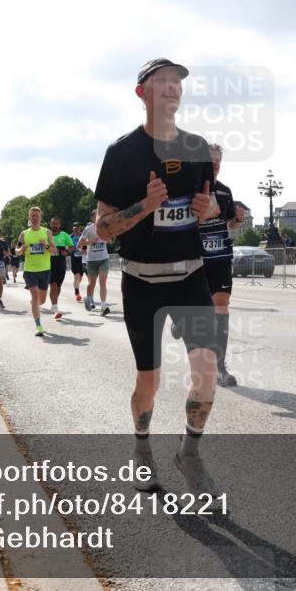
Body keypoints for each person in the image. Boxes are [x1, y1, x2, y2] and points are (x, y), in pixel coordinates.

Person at [95, 58, 219, 496]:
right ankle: (142, 449)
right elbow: (104, 229)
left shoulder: (198, 147)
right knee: (149, 380)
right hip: (141, 280)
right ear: (141, 93)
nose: (171, 88)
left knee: (207, 372)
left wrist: (211, 210)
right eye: (161, 81)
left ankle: (190, 454)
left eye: (177, 82)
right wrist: (144, 208)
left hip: (191, 276)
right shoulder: (122, 154)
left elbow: (211, 204)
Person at [171, 143, 245, 387]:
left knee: (220, 306)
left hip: (221, 256)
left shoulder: (225, 192)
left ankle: (220, 367)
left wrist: (237, 220)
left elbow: (230, 225)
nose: (215, 165)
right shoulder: (188, 190)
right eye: (210, 161)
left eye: (218, 161)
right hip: (195, 258)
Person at [16, 207, 58, 336]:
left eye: (37, 216)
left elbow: (54, 250)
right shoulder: (24, 234)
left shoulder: (47, 232)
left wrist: (45, 245)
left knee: (42, 300)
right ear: (29, 217)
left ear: (40, 218)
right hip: (30, 270)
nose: (34, 218)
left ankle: (35, 304)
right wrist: (21, 249)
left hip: (44, 270)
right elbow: (16, 251)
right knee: (35, 296)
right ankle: (38, 326)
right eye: (32, 215)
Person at [77, 210, 111, 315]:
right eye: (96, 216)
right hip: (91, 260)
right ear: (92, 218)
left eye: (100, 216)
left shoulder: (105, 227)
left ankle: (103, 306)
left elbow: (110, 241)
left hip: (104, 258)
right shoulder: (88, 229)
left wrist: (107, 238)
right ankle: (88, 298)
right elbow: (79, 244)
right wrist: (91, 242)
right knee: (92, 283)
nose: (99, 218)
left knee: (102, 281)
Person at [47, 217, 74, 320]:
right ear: (50, 224)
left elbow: (71, 246)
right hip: (49, 263)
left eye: (57, 224)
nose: (55, 225)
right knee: (53, 286)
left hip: (61, 264)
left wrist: (66, 252)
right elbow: (44, 246)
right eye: (53, 223)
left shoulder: (64, 235)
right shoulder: (46, 235)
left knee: (58, 287)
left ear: (59, 225)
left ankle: (54, 303)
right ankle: (55, 307)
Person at [70, 222, 85, 301]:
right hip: (74, 258)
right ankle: (77, 292)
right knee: (76, 275)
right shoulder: (70, 237)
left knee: (80, 276)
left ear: (80, 228)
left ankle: (76, 287)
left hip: (82, 258)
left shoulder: (83, 236)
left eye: (78, 228)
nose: (76, 229)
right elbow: (67, 247)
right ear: (73, 229)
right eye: (75, 228)